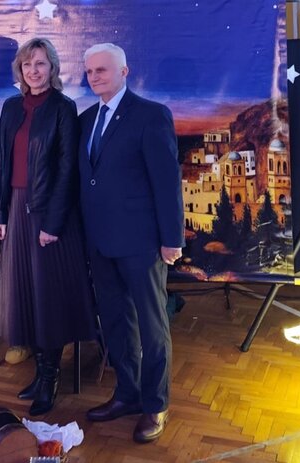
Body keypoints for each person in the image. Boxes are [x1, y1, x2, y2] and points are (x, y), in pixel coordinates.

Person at [78, 43, 184, 443]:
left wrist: (172, 239)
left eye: (102, 70)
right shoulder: (85, 120)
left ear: (124, 71)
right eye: (90, 71)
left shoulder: (151, 115)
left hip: (142, 243)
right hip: (100, 243)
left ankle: (156, 405)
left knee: (153, 327)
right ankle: (127, 394)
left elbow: (166, 182)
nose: (95, 77)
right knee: (116, 323)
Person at [0, 37, 95, 416]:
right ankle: (39, 373)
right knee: (26, 294)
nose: (33, 71)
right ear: (20, 70)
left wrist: (53, 222)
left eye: (40, 64)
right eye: (27, 64)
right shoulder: (10, 107)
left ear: (52, 68)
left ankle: (50, 378)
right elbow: (0, 164)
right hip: (16, 211)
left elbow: (67, 171)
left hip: (51, 216)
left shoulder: (64, 109)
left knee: (48, 297)